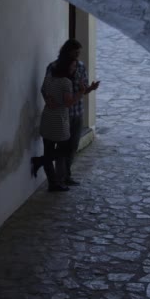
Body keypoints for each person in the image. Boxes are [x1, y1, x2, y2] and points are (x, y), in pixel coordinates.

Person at [43, 39, 99, 186]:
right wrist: (48, 99)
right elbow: (45, 88)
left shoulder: (80, 67)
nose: (77, 56)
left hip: (76, 113)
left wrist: (90, 89)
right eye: (75, 53)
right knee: (61, 148)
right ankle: (58, 178)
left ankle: (65, 175)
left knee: (71, 147)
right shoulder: (54, 68)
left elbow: (83, 89)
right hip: (60, 116)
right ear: (67, 52)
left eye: (79, 53)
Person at [31, 59, 84, 192]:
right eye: (72, 66)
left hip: (47, 118)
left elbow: (43, 90)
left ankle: (52, 183)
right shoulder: (66, 82)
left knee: (49, 149)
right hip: (59, 121)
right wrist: (80, 92)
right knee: (64, 151)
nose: (74, 69)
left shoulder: (49, 79)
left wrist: (48, 101)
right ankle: (41, 162)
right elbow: (68, 103)